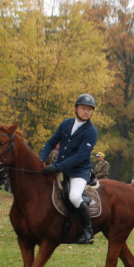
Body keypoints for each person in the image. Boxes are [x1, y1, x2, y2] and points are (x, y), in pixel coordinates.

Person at [39, 93, 99, 244]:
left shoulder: (91, 132)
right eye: (83, 108)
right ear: (76, 109)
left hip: (79, 171)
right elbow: (51, 142)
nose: (86, 111)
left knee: (73, 196)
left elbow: (79, 157)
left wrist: (56, 167)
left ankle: (88, 230)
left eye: (89, 109)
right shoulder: (66, 124)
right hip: (60, 167)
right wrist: (40, 160)